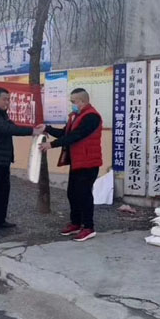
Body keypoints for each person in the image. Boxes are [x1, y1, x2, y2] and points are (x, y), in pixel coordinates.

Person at [0, 87, 45, 237]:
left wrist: (33, 130)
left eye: (8, 99)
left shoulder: (0, 113)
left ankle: (0, 220)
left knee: (3, 191)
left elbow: (12, 127)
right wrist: (32, 132)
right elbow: (6, 129)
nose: (7, 102)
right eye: (4, 99)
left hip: (1, 159)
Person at [40, 88, 102, 242]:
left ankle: (88, 227)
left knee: (84, 194)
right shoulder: (75, 116)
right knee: (72, 193)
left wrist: (51, 145)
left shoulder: (92, 117)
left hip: (88, 162)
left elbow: (76, 136)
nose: (71, 104)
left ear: (82, 101)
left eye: (73, 101)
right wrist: (47, 128)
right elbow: (65, 134)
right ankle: (76, 223)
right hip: (77, 162)